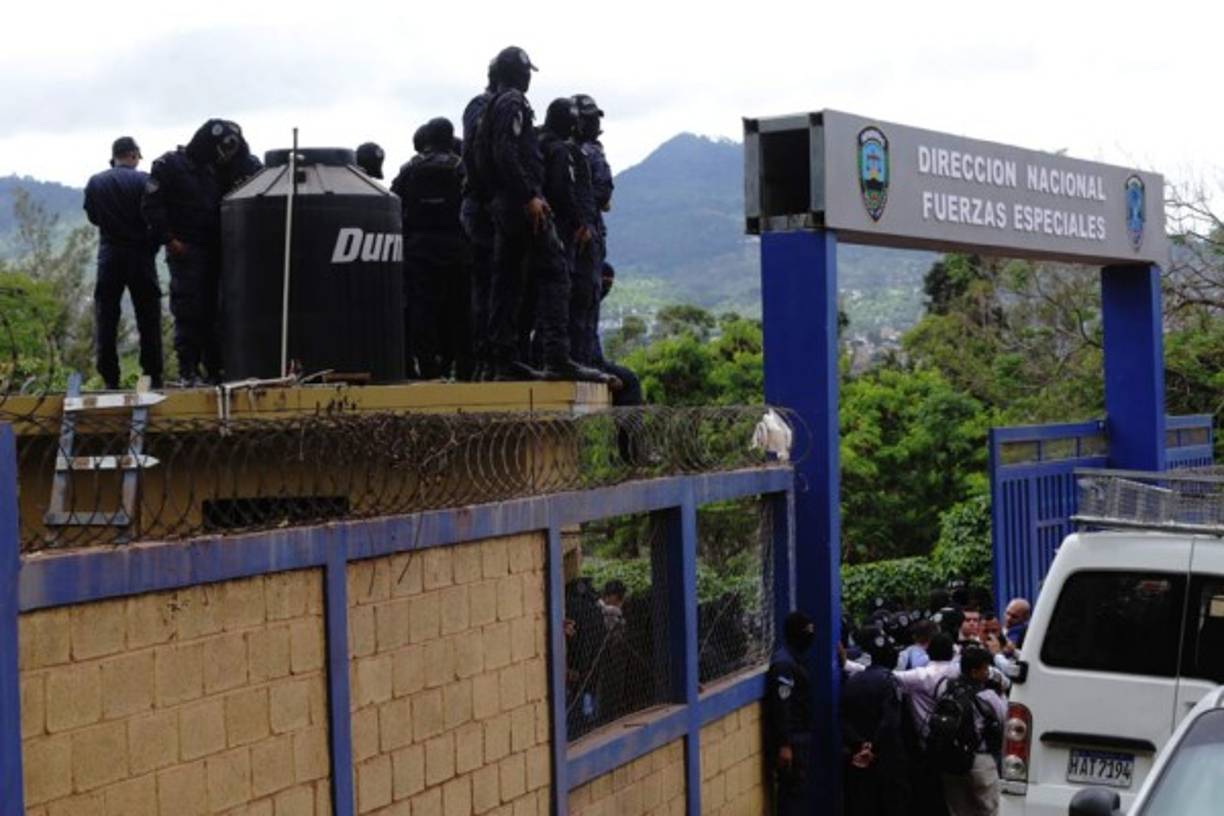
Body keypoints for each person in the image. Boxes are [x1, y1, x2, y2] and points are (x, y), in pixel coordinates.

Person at [473, 46, 609, 383]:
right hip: (521, 205)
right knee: (555, 271)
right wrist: (529, 195)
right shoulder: (512, 102)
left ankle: (504, 359)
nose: (529, 79)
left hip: (504, 203)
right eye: (527, 72)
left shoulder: (490, 105)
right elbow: (505, 151)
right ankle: (556, 356)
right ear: (519, 73)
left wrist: (495, 196)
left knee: (507, 280)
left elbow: (479, 155)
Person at [143, 119, 247, 385]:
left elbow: (245, 168)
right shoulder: (170, 165)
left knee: (215, 310)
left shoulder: (216, 169)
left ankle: (214, 368)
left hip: (214, 249)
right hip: (186, 250)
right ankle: (188, 369)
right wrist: (169, 239)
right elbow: (152, 205)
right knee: (190, 310)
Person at [390, 118, 472, 380]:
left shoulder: (410, 168)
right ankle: (464, 367)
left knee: (421, 308)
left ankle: (427, 366)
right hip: (456, 245)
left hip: (419, 247)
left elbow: (394, 202)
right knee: (461, 310)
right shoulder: (461, 167)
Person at [83, 136, 163, 390]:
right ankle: (152, 375)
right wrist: (151, 244)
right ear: (133, 155)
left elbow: (94, 217)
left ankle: (110, 377)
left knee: (106, 316)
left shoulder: (96, 182)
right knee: (148, 317)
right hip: (141, 255)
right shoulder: (146, 181)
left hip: (110, 255)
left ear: (114, 156)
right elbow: (157, 216)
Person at [842, 626, 909, 816]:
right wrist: (873, 747)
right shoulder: (889, 681)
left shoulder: (852, 681)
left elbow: (844, 717)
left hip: (857, 756)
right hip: (885, 757)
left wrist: (860, 744)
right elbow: (890, 721)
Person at [460, 62, 497, 381]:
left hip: (494, 208)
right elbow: (475, 153)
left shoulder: (501, 106)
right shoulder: (482, 106)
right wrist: (489, 197)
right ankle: (484, 361)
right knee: (486, 287)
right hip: (484, 208)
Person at [895, 632, 958, 816]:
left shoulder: (920, 676)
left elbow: (885, 675)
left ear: (928, 653)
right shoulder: (960, 670)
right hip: (957, 741)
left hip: (928, 745)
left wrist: (846, 663)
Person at [939, 647, 1005, 816]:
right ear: (974, 672)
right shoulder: (987, 695)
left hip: (950, 759)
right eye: (985, 669)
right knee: (990, 810)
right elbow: (1005, 718)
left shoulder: (947, 687)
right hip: (979, 761)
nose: (988, 673)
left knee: (958, 811)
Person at [767, 611, 818, 816]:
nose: (810, 637)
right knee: (791, 793)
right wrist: (785, 744)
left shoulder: (795, 659)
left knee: (799, 789)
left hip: (800, 736)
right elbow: (782, 706)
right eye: (807, 632)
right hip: (792, 739)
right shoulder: (784, 664)